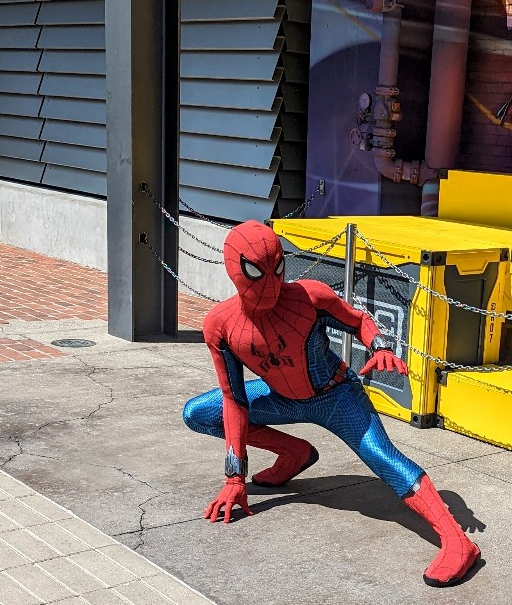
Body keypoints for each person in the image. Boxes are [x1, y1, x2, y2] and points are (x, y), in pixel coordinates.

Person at [182, 220, 480, 587]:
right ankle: (295, 453)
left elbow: (359, 321)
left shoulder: (310, 296)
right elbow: (234, 399)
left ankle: (458, 541)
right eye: (255, 273)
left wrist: (381, 347)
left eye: (277, 270)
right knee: (198, 413)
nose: (270, 285)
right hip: (282, 400)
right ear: (235, 270)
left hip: (337, 397)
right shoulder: (220, 325)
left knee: (381, 455)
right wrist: (234, 476)